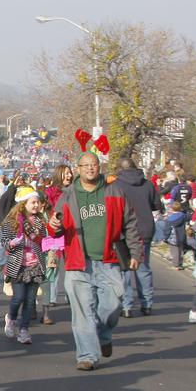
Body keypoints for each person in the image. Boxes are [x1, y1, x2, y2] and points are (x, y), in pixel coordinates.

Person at [47, 149, 141, 371]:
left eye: (94, 164)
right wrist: (54, 227)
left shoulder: (114, 191)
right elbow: (55, 230)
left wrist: (136, 252)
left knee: (114, 304)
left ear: (99, 167)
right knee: (82, 312)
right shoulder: (68, 195)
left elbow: (131, 223)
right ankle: (87, 355)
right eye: (85, 165)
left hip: (108, 260)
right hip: (78, 263)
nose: (90, 168)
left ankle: (104, 335)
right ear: (78, 169)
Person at [0, 187, 48, 345]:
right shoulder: (11, 222)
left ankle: (24, 330)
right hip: (18, 266)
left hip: (35, 265)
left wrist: (44, 243)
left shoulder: (40, 221)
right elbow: (5, 243)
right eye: (33, 202)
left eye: (38, 202)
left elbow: (44, 240)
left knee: (30, 300)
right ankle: (11, 318)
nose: (36, 205)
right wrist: (14, 243)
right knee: (18, 297)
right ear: (23, 204)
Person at [115, 158, 162, 317]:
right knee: (143, 267)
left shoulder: (117, 186)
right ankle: (147, 303)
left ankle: (126, 306)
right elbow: (157, 206)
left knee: (125, 270)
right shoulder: (148, 184)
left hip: (124, 231)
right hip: (144, 229)